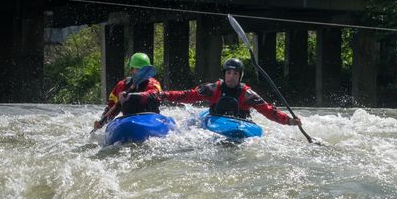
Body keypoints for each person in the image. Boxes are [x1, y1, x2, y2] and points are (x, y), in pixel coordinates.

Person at [128, 58, 302, 127]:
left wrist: (289, 121)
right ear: (224, 73)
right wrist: (165, 94)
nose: (231, 77)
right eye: (228, 73)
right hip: (216, 120)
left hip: (239, 123)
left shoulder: (247, 94)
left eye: (235, 74)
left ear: (240, 76)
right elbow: (188, 95)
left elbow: (268, 111)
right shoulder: (213, 88)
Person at [93, 52, 162, 130]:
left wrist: (132, 96)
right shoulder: (122, 85)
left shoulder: (153, 84)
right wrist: (102, 121)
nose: (142, 73)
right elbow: (112, 106)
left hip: (150, 118)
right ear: (132, 70)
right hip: (129, 119)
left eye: (144, 70)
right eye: (139, 69)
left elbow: (152, 95)